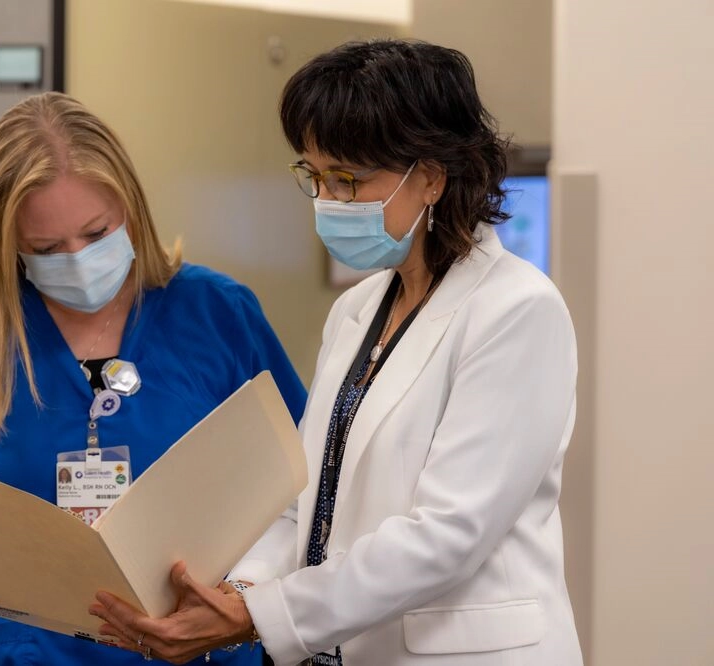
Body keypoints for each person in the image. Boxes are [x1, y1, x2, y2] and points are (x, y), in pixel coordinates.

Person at [90, 39, 583, 666]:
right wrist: (228, 594)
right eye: (315, 176)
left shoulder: (516, 310)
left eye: (348, 179)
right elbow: (306, 502)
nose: (327, 201)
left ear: (431, 175)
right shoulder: (356, 310)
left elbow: (449, 535)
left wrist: (258, 616)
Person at [0, 91, 307, 666]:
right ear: (7, 242)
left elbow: (299, 474)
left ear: (130, 207)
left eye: (98, 233)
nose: (77, 259)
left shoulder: (217, 312)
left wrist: (249, 596)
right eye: (47, 248)